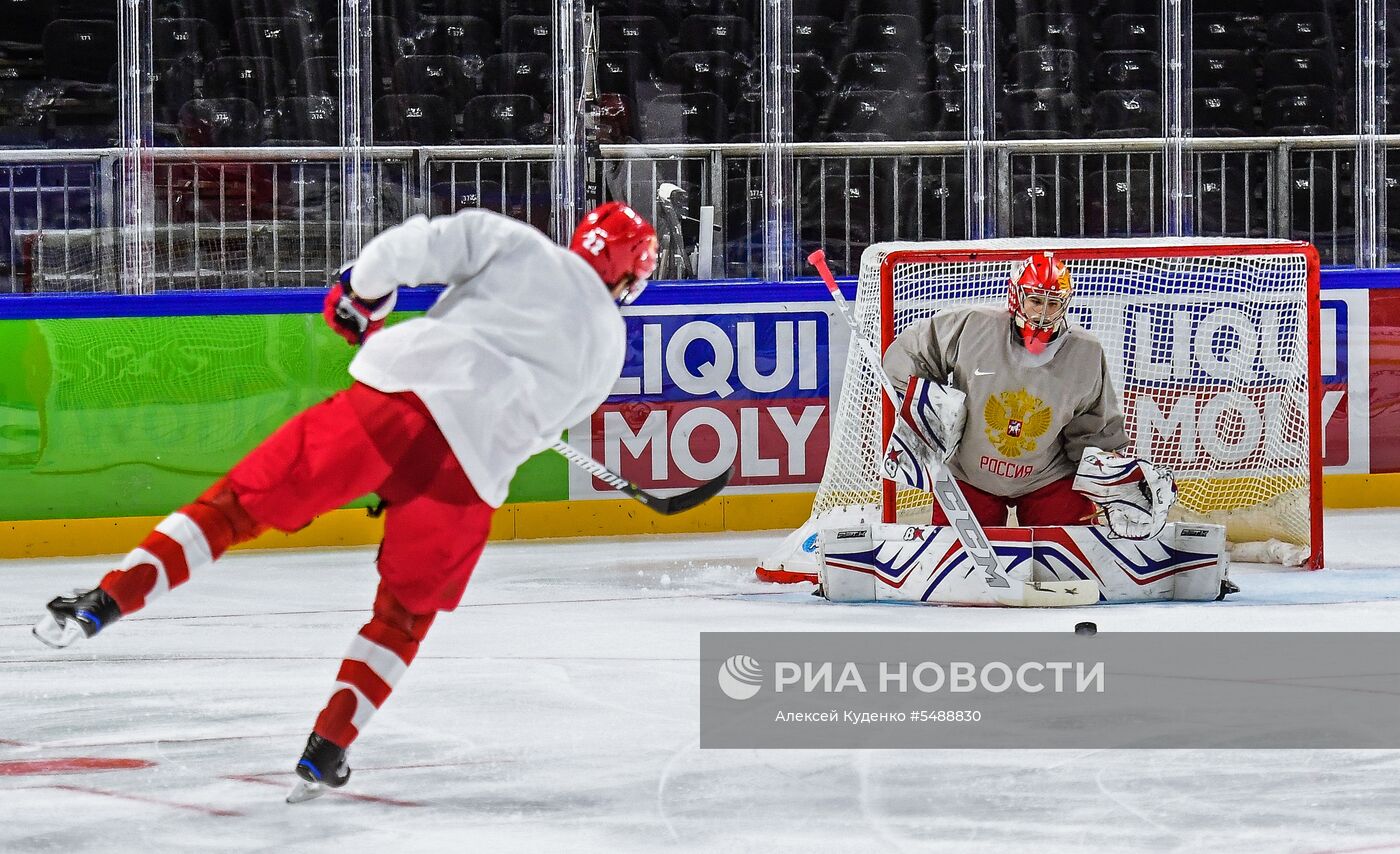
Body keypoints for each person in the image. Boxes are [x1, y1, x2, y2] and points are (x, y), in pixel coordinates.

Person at [32, 201, 658, 801]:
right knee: (403, 617)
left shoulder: (518, 244)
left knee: (234, 508)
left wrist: (363, 297)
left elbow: (405, 248)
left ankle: (107, 598)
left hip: (393, 403)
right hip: (469, 472)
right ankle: (328, 747)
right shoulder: (606, 346)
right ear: (628, 273)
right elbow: (550, 424)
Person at [882, 251, 1177, 539]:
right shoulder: (973, 326)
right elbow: (911, 351)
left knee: (1076, 565)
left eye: (1053, 304)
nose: (1043, 313)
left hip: (1047, 478)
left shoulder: (1086, 352)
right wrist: (924, 404)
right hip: (969, 474)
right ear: (1016, 297)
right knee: (955, 569)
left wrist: (1114, 476)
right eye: (1036, 301)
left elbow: (1093, 429)